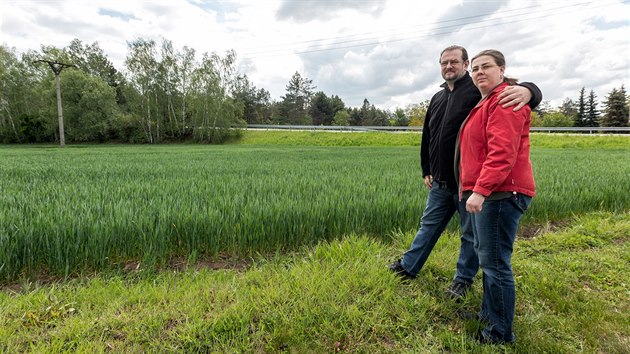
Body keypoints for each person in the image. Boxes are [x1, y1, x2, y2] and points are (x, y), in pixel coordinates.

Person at [388, 45, 541, 300]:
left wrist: (530, 90)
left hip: (469, 184)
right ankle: (408, 266)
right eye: (444, 62)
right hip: (440, 181)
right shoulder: (437, 98)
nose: (448, 66)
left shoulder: (477, 90)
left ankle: (462, 279)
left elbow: (514, 91)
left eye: (454, 62)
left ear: (465, 64)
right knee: (428, 226)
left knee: (470, 236)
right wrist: (427, 167)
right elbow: (428, 135)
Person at [457, 49, 536, 344]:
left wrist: (480, 191)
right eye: (475, 68)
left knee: (495, 263)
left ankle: (499, 334)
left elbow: (502, 153)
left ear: (501, 70)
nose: (479, 72)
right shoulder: (488, 101)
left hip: (501, 193)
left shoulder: (504, 100)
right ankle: (490, 317)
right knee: (488, 258)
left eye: (486, 67)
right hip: (493, 192)